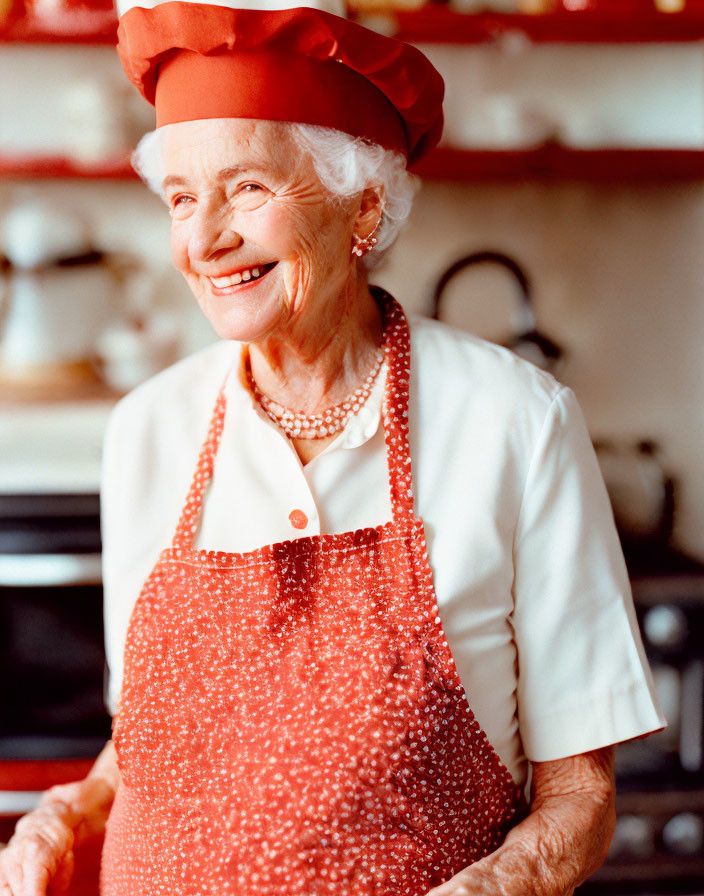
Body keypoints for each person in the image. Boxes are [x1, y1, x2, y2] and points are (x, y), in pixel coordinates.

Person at [0, 1, 665, 894]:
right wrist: (68, 811)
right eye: (182, 198)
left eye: (248, 189)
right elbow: (152, 745)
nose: (203, 241)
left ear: (364, 204)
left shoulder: (516, 421)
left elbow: (580, 795)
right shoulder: (148, 430)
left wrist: (497, 886)